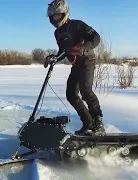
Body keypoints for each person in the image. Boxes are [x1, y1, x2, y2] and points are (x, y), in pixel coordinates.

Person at [45, 0, 105, 136]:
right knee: (71, 94)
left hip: (87, 60)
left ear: (64, 13)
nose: (55, 18)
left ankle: (98, 123)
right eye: (52, 16)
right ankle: (88, 124)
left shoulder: (77, 24)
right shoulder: (57, 33)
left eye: (57, 15)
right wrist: (54, 58)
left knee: (86, 91)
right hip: (76, 64)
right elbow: (63, 51)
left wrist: (82, 48)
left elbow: (96, 38)